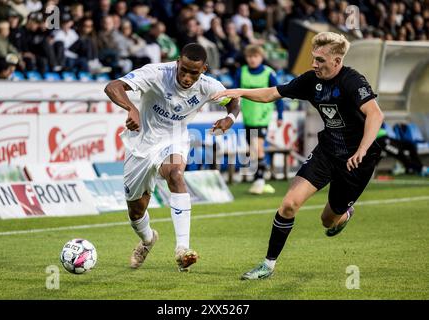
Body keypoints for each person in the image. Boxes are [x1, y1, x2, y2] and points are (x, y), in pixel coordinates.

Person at [212, 32, 384, 280]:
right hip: (327, 152)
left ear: (337, 61)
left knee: (328, 220)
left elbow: (375, 114)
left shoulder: (352, 81)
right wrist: (237, 91)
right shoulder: (310, 80)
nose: (314, 64)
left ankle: (344, 214)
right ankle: (267, 265)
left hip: (356, 160)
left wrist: (362, 149)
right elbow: (272, 93)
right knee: (289, 204)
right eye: (313, 58)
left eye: (320, 60)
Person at [104, 43, 240, 272]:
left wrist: (230, 119)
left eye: (193, 73)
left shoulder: (209, 86)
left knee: (176, 175)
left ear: (204, 69)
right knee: (136, 212)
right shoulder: (155, 73)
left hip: (174, 140)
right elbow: (113, 86)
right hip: (141, 144)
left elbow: (234, 101)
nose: (186, 77)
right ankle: (148, 239)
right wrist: (130, 108)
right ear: (177, 62)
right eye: (183, 70)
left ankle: (182, 250)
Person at [235, 44, 284, 195]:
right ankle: (259, 177)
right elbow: (235, 93)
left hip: (262, 117)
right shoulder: (241, 72)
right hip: (248, 117)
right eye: (249, 57)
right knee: (253, 149)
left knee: (257, 147)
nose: (252, 60)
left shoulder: (269, 74)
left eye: (255, 56)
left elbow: (278, 94)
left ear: (261, 57)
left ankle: (260, 180)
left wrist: (280, 115)